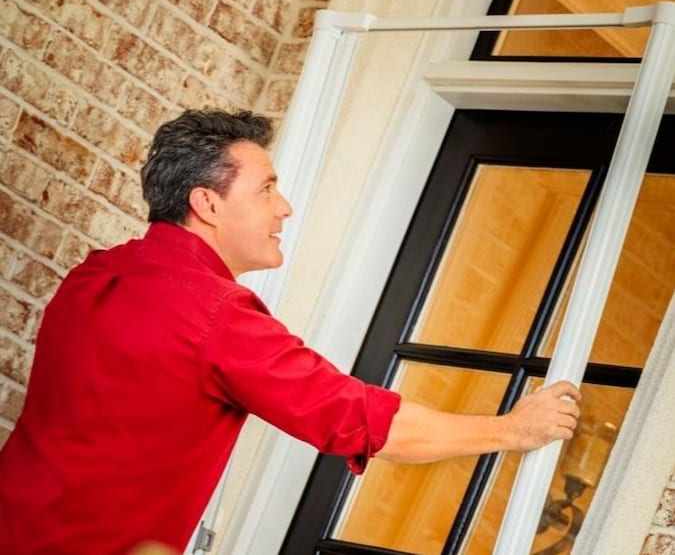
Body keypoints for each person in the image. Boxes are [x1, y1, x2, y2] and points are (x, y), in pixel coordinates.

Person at [0, 110, 581, 554]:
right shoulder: (216, 314)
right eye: (267, 189)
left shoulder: (96, 271)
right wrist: (511, 430)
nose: (285, 208)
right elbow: (363, 421)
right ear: (207, 204)